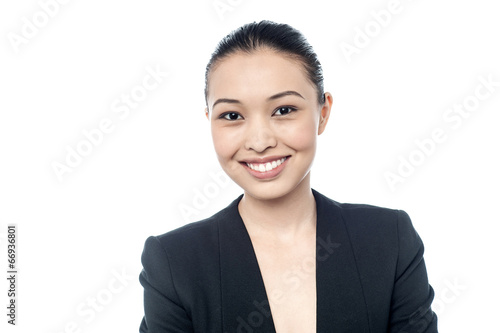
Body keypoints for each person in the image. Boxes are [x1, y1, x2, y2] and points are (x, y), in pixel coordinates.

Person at [139, 20, 438, 332]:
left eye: (283, 110)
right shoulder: (174, 263)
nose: (259, 141)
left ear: (323, 113)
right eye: (232, 116)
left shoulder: (389, 240)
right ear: (209, 121)